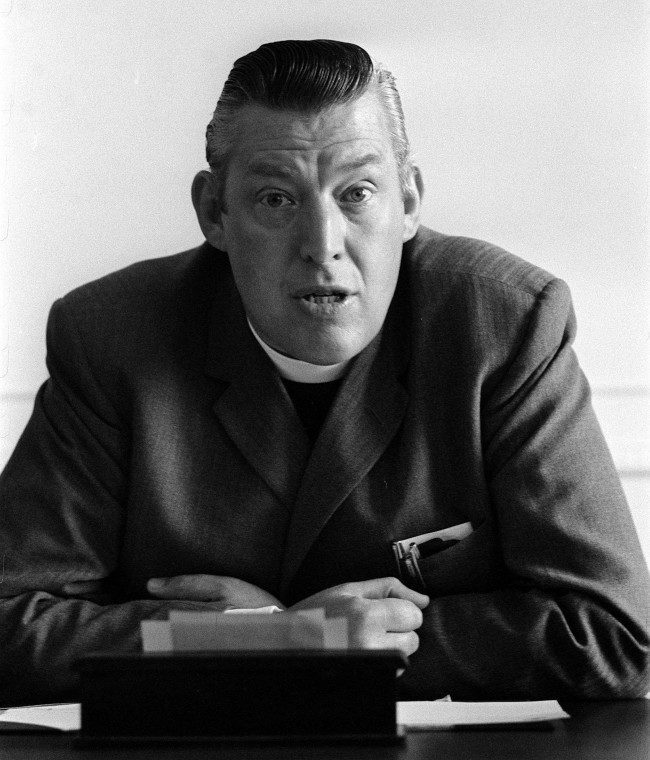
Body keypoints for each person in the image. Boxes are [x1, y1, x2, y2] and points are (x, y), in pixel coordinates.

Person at [0, 39, 647, 706]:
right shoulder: (110, 337)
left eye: (358, 193)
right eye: (277, 200)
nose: (324, 244)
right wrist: (258, 641)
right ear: (214, 214)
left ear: (410, 203)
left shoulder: (504, 325)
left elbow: (617, 638)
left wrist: (346, 651)